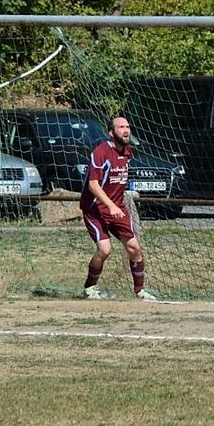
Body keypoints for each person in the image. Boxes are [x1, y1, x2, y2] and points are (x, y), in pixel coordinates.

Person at [80, 116, 156, 301]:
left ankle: (140, 291)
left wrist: (116, 205)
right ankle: (90, 288)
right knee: (105, 250)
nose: (126, 130)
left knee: (134, 248)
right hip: (95, 209)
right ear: (111, 133)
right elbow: (93, 185)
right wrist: (110, 205)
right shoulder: (101, 152)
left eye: (128, 126)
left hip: (117, 208)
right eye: (121, 127)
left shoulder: (128, 152)